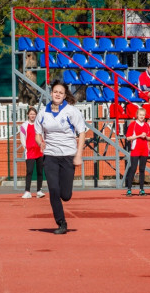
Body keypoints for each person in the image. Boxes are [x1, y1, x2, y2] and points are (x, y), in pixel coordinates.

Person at [34, 81, 85, 235]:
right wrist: (40, 142)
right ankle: (61, 222)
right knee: (53, 190)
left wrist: (78, 155)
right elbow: (37, 132)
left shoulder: (71, 111)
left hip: (68, 155)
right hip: (50, 155)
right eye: (55, 92)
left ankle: (64, 199)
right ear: (51, 93)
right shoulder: (43, 112)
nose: (57, 94)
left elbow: (82, 132)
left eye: (60, 92)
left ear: (64, 95)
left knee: (66, 195)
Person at [125, 108, 150, 196]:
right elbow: (128, 137)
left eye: (143, 115)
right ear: (137, 115)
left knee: (142, 169)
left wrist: (146, 137)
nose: (142, 117)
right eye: (140, 115)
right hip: (135, 149)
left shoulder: (147, 125)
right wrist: (139, 135)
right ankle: (129, 189)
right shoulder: (133, 125)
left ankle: (141, 189)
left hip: (144, 149)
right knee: (133, 169)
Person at [20, 107, 45, 199]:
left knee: (39, 172)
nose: (32, 116)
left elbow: (43, 136)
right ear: (28, 115)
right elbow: (22, 138)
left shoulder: (39, 125)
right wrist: (26, 147)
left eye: (34, 114)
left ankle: (39, 191)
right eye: (31, 114)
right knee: (29, 171)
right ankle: (27, 191)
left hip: (39, 151)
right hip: (29, 152)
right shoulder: (24, 126)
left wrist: (43, 146)